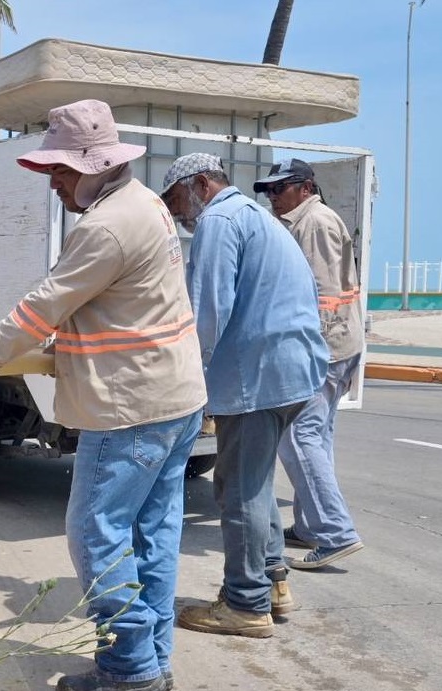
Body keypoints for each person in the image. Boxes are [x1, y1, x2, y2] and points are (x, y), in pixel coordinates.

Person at [0, 99, 207, 691]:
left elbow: (38, 311)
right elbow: (116, 311)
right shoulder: (143, 204)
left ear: (96, 163)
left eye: (60, 169)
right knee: (152, 536)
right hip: (175, 399)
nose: (53, 181)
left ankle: (128, 670)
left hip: (130, 408)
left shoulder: (104, 227)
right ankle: (150, 665)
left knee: (96, 533)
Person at [160, 153, 329, 638]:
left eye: (175, 200)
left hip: (256, 378)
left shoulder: (218, 220)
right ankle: (273, 584)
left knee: (237, 491)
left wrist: (187, 380)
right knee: (253, 486)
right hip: (290, 373)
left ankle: (245, 604)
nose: (175, 213)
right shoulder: (257, 217)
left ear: (199, 184)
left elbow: (207, 310)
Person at [254, 159, 365, 569]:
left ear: (305, 188)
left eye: (279, 189)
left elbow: (320, 295)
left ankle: (335, 533)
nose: (272, 197)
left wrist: (304, 352)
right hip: (339, 346)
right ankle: (309, 526)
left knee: (298, 438)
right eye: (267, 191)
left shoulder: (314, 222)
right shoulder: (307, 219)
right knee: (316, 439)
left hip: (323, 349)